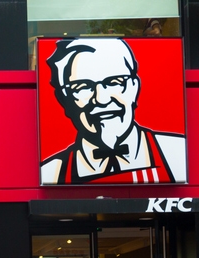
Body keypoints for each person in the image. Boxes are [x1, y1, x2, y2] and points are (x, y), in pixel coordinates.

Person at [40, 38, 186, 185]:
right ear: (64, 99)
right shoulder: (52, 172)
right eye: (82, 86)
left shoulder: (177, 152)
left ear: (134, 88)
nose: (101, 99)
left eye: (114, 82)